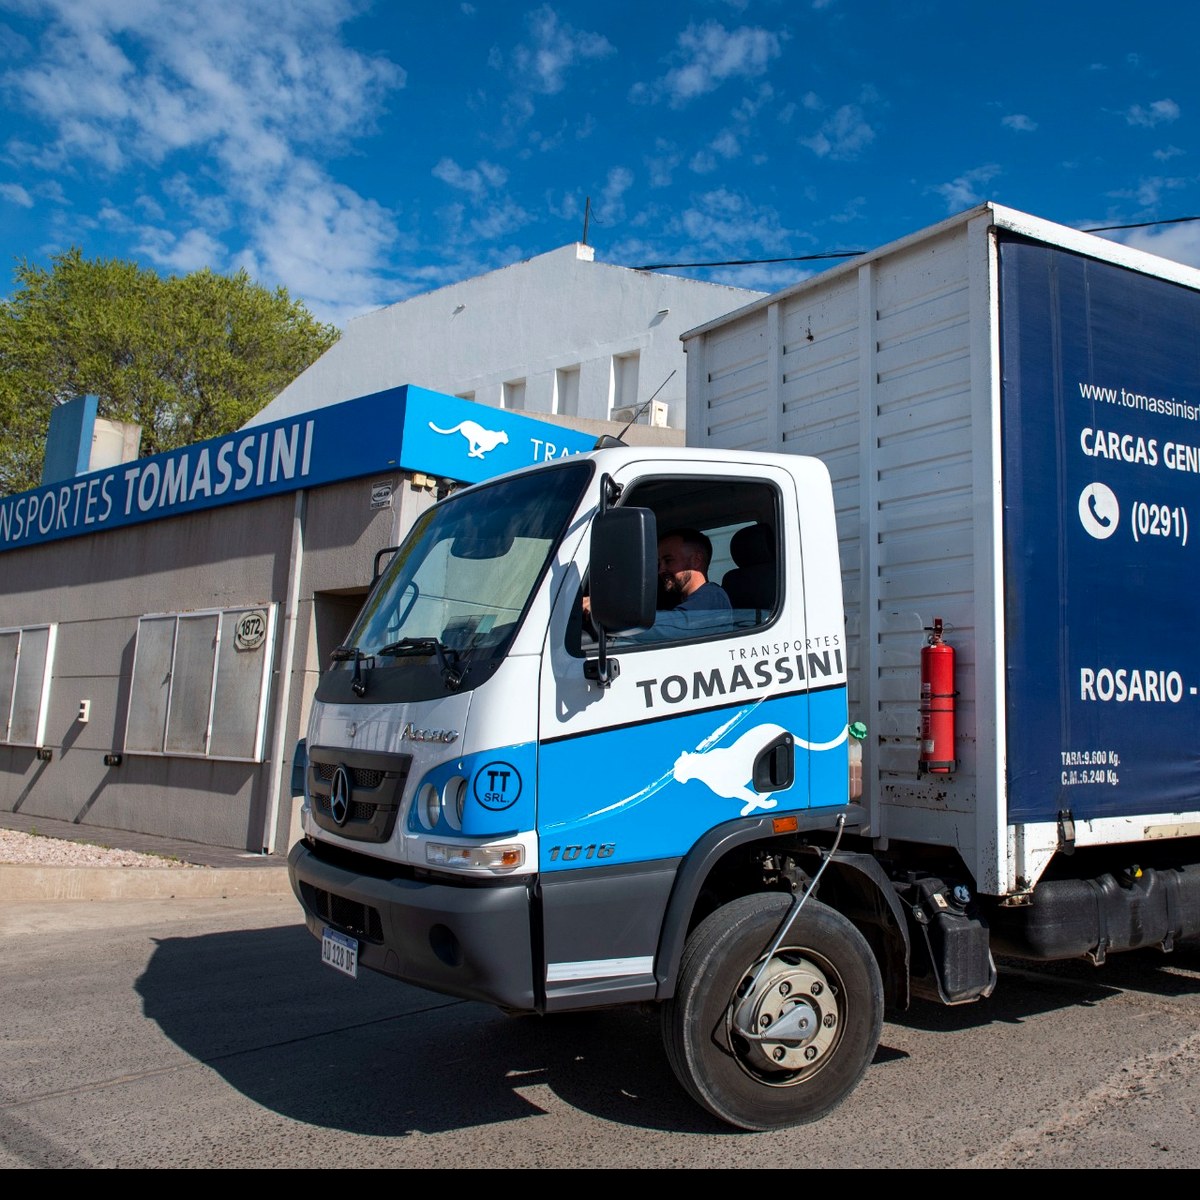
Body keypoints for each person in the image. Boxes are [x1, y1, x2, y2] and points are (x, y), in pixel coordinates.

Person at [656, 528, 731, 613]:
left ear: (696, 560)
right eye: (658, 563)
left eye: (668, 560)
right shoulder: (676, 600)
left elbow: (670, 623)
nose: (660, 570)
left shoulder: (712, 597)